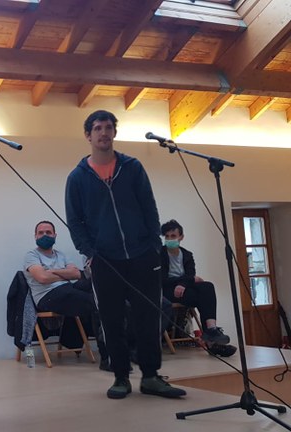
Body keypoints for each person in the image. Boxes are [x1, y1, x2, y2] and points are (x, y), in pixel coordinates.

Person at [65, 109, 186, 399]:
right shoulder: (77, 178)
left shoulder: (132, 167)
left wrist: (154, 245)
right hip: (105, 259)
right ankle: (120, 376)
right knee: (111, 319)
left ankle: (151, 376)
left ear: (114, 133)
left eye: (108, 127)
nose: (103, 133)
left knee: (148, 317)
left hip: (143, 254)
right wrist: (90, 252)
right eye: (97, 128)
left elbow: (149, 207)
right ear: (88, 135)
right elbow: (75, 221)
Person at [23, 220, 107, 365]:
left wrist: (51, 271)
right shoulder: (31, 255)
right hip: (47, 296)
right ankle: (107, 355)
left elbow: (77, 274)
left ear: (55, 235)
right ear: (35, 236)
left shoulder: (61, 255)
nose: (45, 235)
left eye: (48, 232)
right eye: (41, 233)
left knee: (95, 284)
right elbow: (42, 278)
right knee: (94, 302)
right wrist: (65, 274)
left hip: (67, 289)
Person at [160, 219, 236, 357]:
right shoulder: (160, 254)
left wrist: (184, 283)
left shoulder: (187, 254)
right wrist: (187, 281)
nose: (170, 239)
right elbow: (162, 279)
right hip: (167, 291)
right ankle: (212, 342)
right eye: (167, 236)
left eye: (173, 236)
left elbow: (190, 274)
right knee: (203, 296)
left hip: (183, 289)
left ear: (181, 237)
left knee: (207, 286)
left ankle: (211, 330)